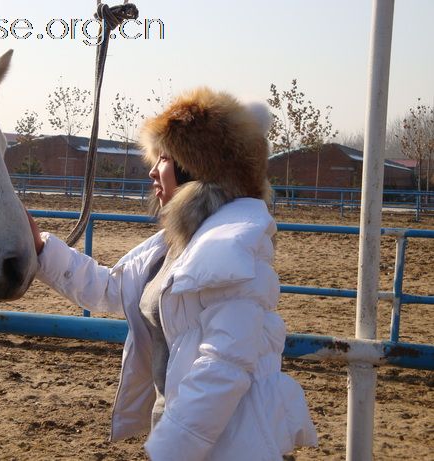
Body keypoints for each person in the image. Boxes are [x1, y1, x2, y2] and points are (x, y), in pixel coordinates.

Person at [27, 87, 317, 460]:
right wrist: (42, 250)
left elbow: (225, 365)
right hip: (191, 431)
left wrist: (170, 448)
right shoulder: (175, 247)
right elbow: (112, 289)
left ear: (194, 169)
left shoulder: (229, 250)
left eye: (163, 158)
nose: (151, 170)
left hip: (227, 443)